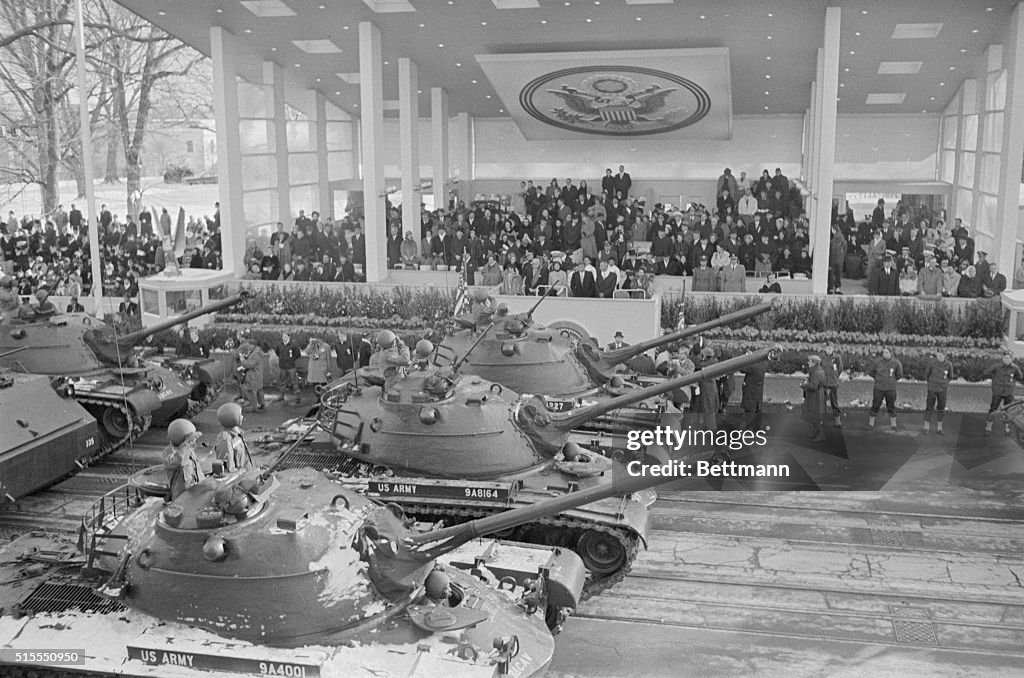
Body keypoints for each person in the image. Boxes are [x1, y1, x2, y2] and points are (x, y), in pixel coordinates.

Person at [163, 419, 204, 501]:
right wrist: (186, 443)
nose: (193, 441)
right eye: (191, 440)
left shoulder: (189, 450)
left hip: (197, 493)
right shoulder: (169, 453)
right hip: (182, 498)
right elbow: (180, 462)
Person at [984, 352, 1022, 436]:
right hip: (997, 392)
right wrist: (990, 380)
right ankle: (988, 426)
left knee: (1008, 411)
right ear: (1002, 358)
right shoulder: (996, 367)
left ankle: (1007, 427)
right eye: (1005, 358)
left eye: (1008, 358)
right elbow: (986, 372)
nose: (1006, 360)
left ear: (1011, 359)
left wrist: (1013, 382)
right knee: (993, 409)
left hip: (1008, 393)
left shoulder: (1015, 368)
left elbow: (1020, 377)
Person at [867, 347, 903, 432]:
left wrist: (891, 381)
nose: (885, 354)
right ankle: (871, 424)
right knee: (875, 405)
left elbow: (899, 375)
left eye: (887, 353)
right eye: (884, 352)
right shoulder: (877, 361)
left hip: (890, 388)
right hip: (879, 388)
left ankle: (893, 425)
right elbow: (871, 371)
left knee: (891, 406)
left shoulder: (896, 363)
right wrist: (878, 379)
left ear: (891, 354)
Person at [214, 403, 254, 473]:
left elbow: (245, 458)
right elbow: (229, 468)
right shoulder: (225, 439)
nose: (242, 417)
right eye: (239, 415)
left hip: (246, 473)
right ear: (232, 418)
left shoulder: (237, 433)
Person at [923, 350, 954, 435]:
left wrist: (944, 383)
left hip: (942, 389)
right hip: (932, 388)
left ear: (944, 356)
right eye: (938, 355)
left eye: (941, 356)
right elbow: (926, 374)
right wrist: (931, 383)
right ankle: (926, 427)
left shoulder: (949, 365)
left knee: (941, 407)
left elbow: (950, 376)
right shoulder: (931, 363)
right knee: (929, 407)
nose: (939, 357)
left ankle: (939, 428)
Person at [801, 355, 827, 443]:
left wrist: (804, 385)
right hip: (818, 395)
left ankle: (821, 434)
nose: (808, 363)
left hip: (815, 396)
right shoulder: (819, 371)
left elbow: (813, 386)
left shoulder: (815, 372)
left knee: (815, 414)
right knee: (815, 414)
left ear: (814, 363)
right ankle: (816, 432)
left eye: (810, 361)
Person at [237, 335, 265, 412]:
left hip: (253, 376)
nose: (248, 347)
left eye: (249, 345)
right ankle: (262, 403)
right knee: (259, 390)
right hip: (258, 374)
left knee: (250, 391)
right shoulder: (258, 352)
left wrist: (242, 360)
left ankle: (254, 407)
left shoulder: (255, 354)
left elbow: (249, 365)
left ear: (253, 345)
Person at [821, 343, 843, 427]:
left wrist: (835, 376)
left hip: (833, 382)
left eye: (830, 348)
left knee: (834, 401)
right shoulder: (821, 357)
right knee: (822, 401)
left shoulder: (837, 357)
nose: (828, 350)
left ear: (833, 348)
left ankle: (837, 419)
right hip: (823, 383)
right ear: (825, 349)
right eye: (827, 348)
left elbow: (840, 369)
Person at [277, 332, 303, 404]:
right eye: (283, 336)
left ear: (289, 337)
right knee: (283, 382)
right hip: (282, 366)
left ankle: (297, 397)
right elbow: (277, 352)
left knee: (294, 382)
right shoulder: (280, 345)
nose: (284, 338)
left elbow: (298, 354)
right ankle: (281, 396)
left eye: (285, 336)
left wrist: (292, 359)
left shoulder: (293, 345)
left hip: (291, 367)